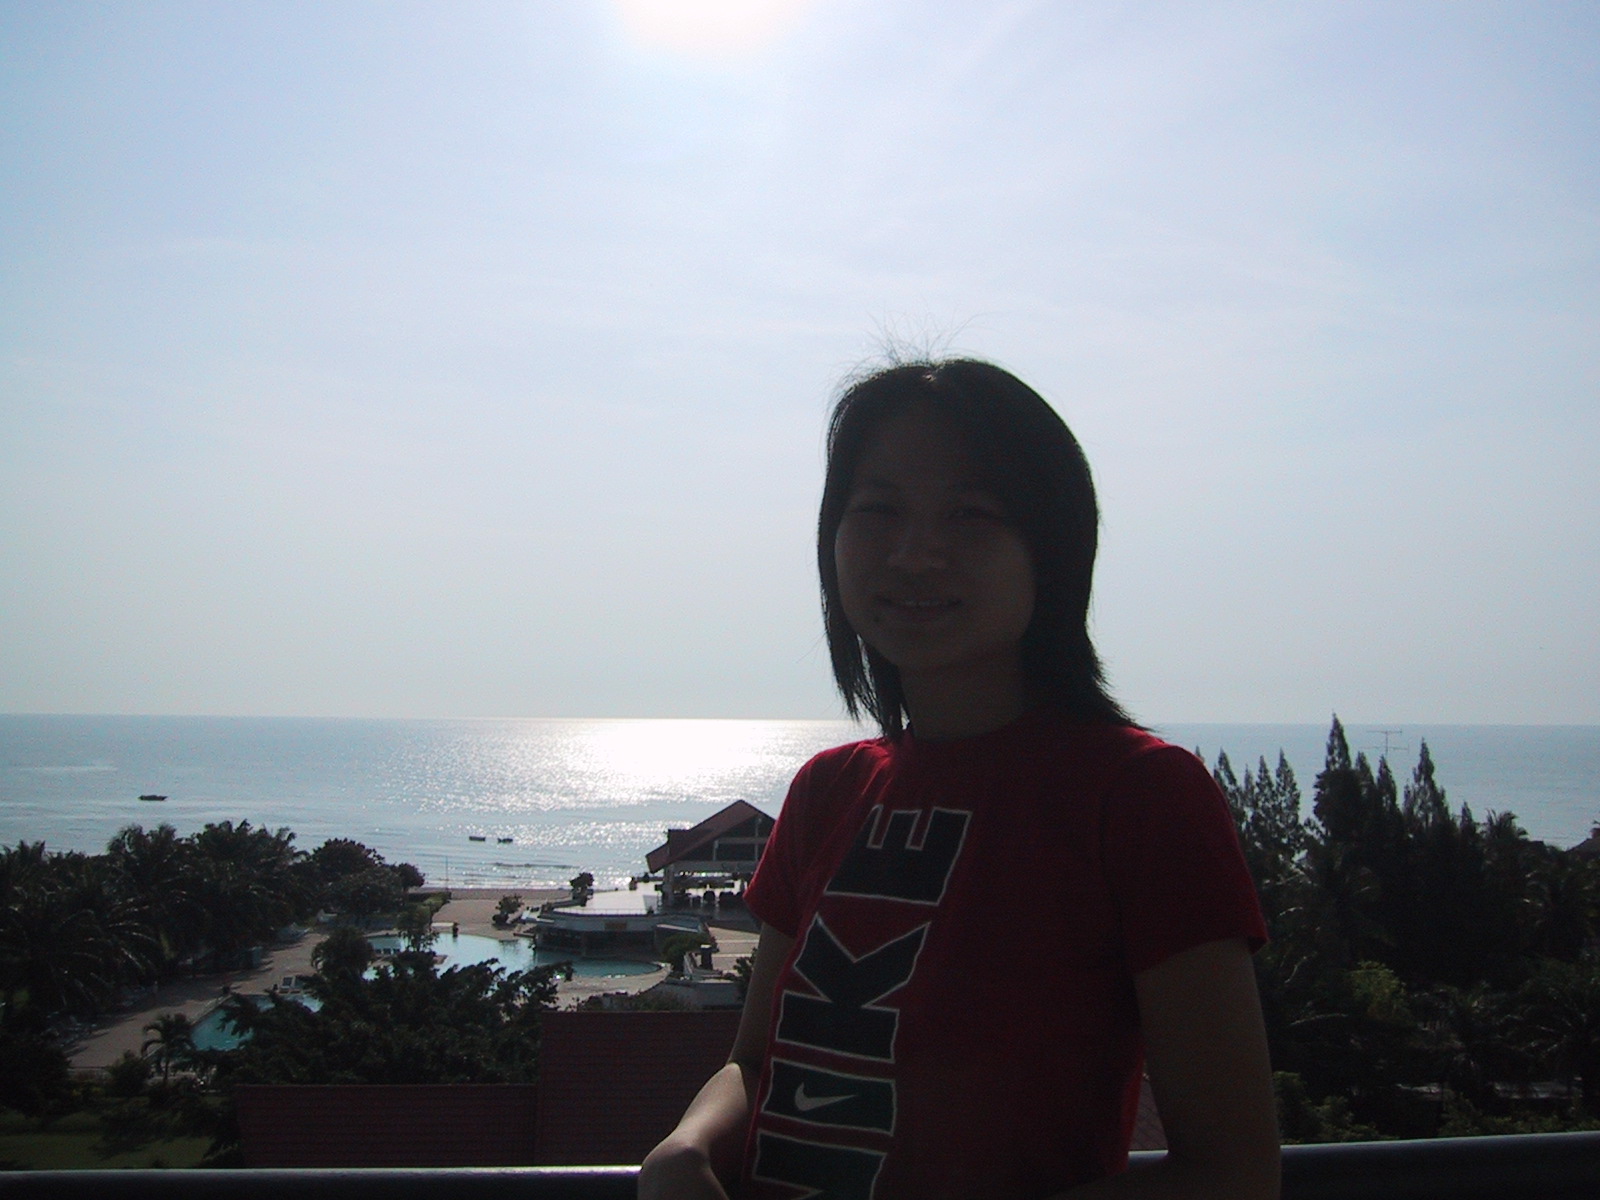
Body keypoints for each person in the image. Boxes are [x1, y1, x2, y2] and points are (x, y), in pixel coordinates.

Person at [640, 359, 1278, 1199]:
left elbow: (1233, 1173)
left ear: (1051, 551)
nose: (914, 554)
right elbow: (758, 1065)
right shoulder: (828, 790)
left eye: (972, 514)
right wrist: (685, 1149)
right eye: (878, 510)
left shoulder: (1140, 795)